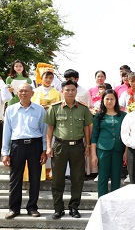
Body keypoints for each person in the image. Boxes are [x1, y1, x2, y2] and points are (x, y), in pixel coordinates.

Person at [44, 80, 93, 219]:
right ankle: (58, 209)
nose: (70, 92)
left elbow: (86, 128)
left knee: (77, 179)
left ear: (76, 91)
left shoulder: (83, 108)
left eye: (73, 90)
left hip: (78, 146)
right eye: (67, 90)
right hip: (60, 146)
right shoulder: (55, 108)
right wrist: (48, 146)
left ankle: (74, 207)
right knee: (57, 179)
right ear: (62, 91)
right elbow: (50, 129)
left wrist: (87, 145)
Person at [2, 83, 46, 219]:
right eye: (21, 91)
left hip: (35, 145)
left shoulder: (40, 110)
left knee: (35, 178)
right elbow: (6, 132)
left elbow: (44, 131)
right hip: (17, 146)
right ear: (17, 93)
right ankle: (14, 208)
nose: (23, 93)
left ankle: (32, 207)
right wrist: (5, 152)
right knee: (15, 179)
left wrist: (44, 150)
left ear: (32, 93)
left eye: (26, 91)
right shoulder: (10, 109)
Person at [90, 89, 127, 197]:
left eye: (112, 99)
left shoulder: (123, 115)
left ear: (116, 100)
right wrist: (93, 155)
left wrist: (126, 151)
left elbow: (126, 134)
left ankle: (114, 203)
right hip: (103, 149)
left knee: (116, 176)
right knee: (103, 176)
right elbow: (94, 136)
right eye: (107, 99)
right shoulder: (98, 116)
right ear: (103, 100)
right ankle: (102, 201)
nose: (109, 101)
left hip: (118, 149)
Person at [31, 68, 61, 180]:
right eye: (46, 77)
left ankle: (49, 171)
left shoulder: (57, 93)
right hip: (38, 122)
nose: (48, 80)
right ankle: (37, 171)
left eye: (50, 78)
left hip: (52, 123)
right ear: (41, 78)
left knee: (50, 146)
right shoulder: (35, 92)